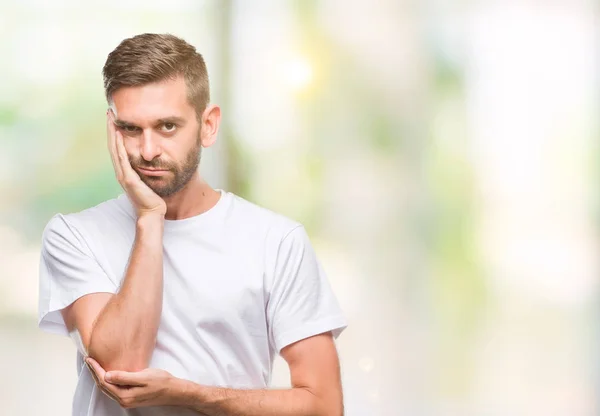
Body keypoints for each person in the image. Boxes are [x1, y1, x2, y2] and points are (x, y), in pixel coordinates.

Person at [37, 33, 347, 416]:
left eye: (167, 126)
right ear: (112, 129)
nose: (147, 150)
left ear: (208, 125)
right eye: (131, 129)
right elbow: (122, 368)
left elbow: (324, 404)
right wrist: (151, 218)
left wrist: (190, 394)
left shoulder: (276, 241)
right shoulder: (73, 235)